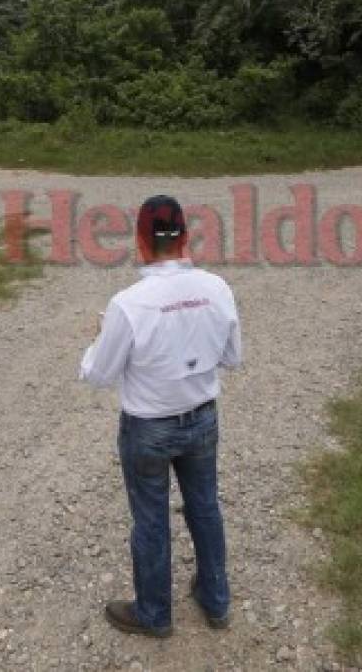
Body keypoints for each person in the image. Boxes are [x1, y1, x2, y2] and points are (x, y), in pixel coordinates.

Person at [79, 195, 243, 637]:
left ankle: (154, 614)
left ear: (140, 241)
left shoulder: (128, 304)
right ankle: (216, 599)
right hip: (202, 418)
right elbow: (232, 357)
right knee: (205, 508)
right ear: (186, 237)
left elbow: (97, 375)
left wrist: (96, 341)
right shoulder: (218, 288)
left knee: (151, 520)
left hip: (148, 427)